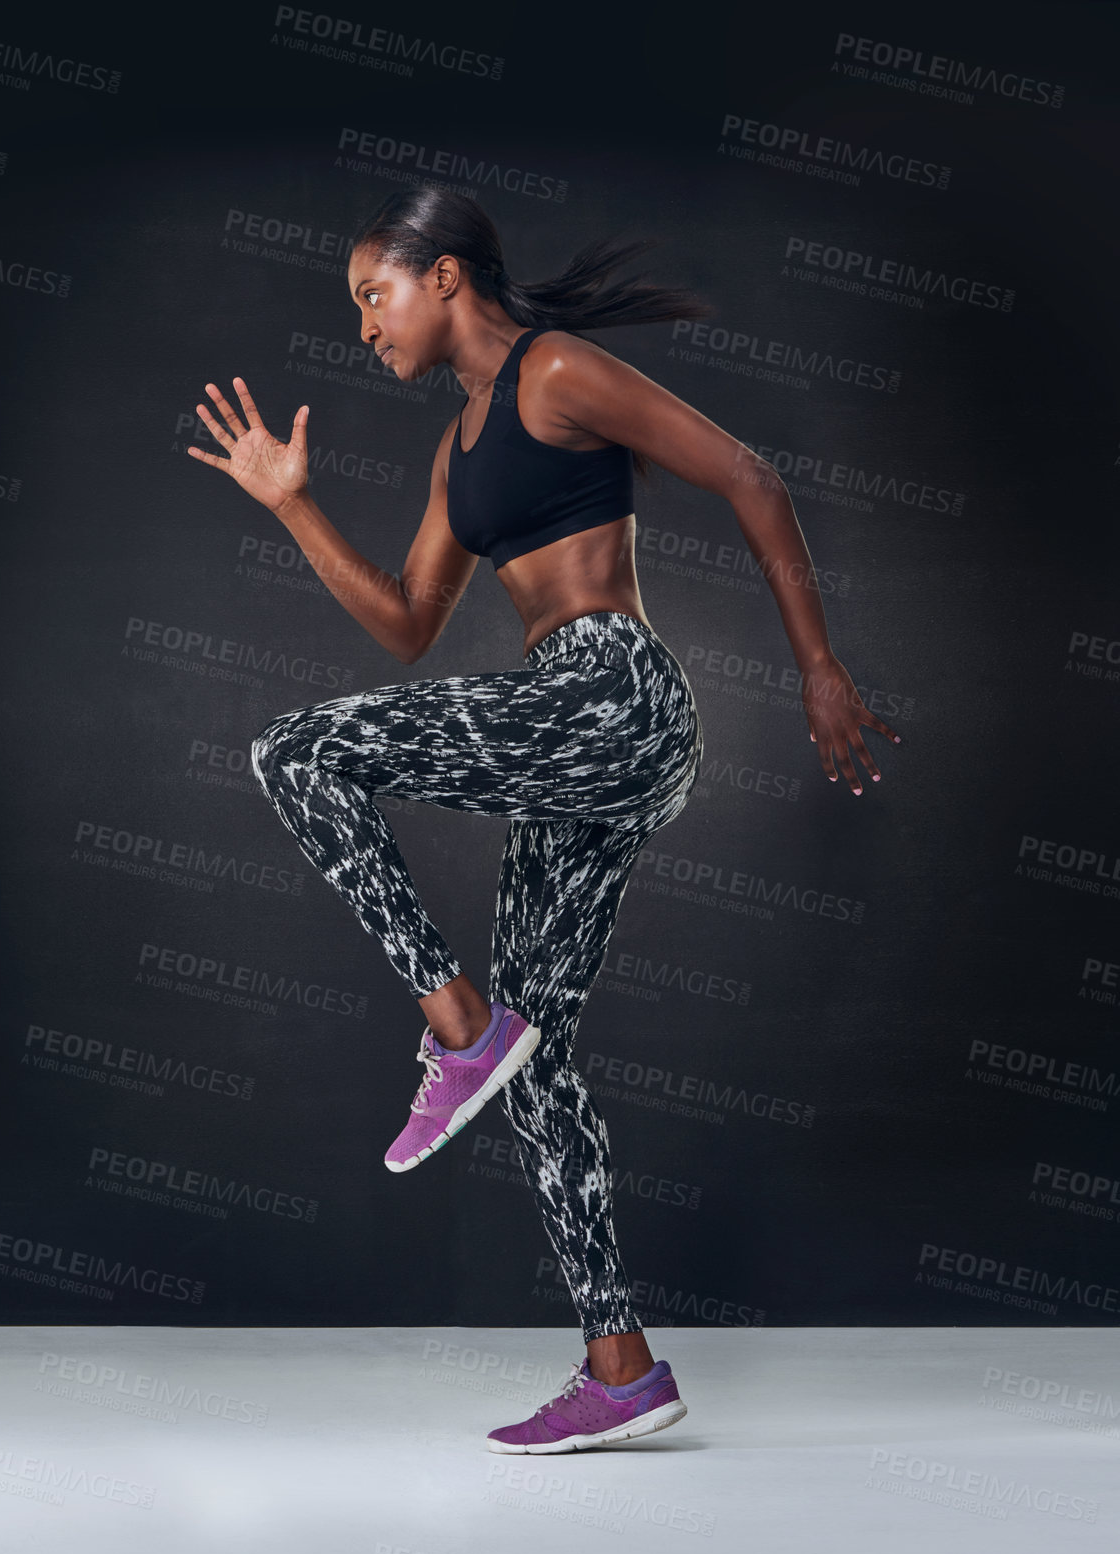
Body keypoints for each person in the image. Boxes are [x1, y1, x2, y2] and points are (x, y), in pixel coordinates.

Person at [187, 188, 900, 1453]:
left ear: (444, 276)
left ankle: (455, 1024)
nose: (364, 325)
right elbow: (408, 622)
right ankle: (618, 1362)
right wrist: (290, 502)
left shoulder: (554, 370)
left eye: (373, 294)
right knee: (542, 1055)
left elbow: (747, 474)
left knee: (295, 750)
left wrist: (816, 663)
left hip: (610, 696)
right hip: (573, 738)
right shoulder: (454, 450)